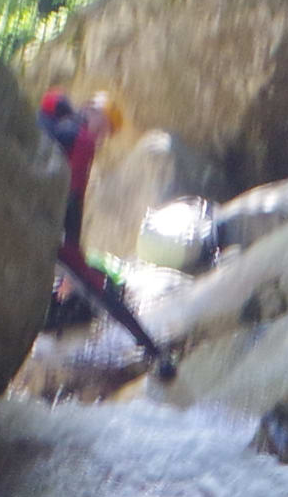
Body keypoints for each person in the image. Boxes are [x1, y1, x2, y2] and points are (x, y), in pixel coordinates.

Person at [34, 90, 181, 380]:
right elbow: (74, 197)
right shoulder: (83, 141)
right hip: (43, 217)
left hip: (25, 205)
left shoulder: (52, 112)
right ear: (93, 113)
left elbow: (48, 105)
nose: (101, 137)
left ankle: (153, 352)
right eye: (104, 128)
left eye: (107, 134)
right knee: (97, 286)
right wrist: (73, 250)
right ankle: (156, 353)